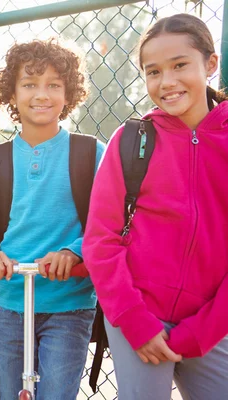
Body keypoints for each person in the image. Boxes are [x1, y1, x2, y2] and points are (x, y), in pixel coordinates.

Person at [83, 13, 228, 400]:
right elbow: (100, 239)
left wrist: (204, 331)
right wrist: (134, 321)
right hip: (138, 315)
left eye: (180, 65)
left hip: (213, 322)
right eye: (153, 71)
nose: (167, 82)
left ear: (210, 65)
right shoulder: (132, 139)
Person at [0, 39, 105, 400]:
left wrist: (74, 252)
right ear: (12, 92)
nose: (42, 94)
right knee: (13, 393)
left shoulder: (91, 153)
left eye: (54, 85)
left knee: (56, 393)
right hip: (10, 300)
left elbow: (107, 226)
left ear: (68, 93)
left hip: (68, 301)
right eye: (30, 84)